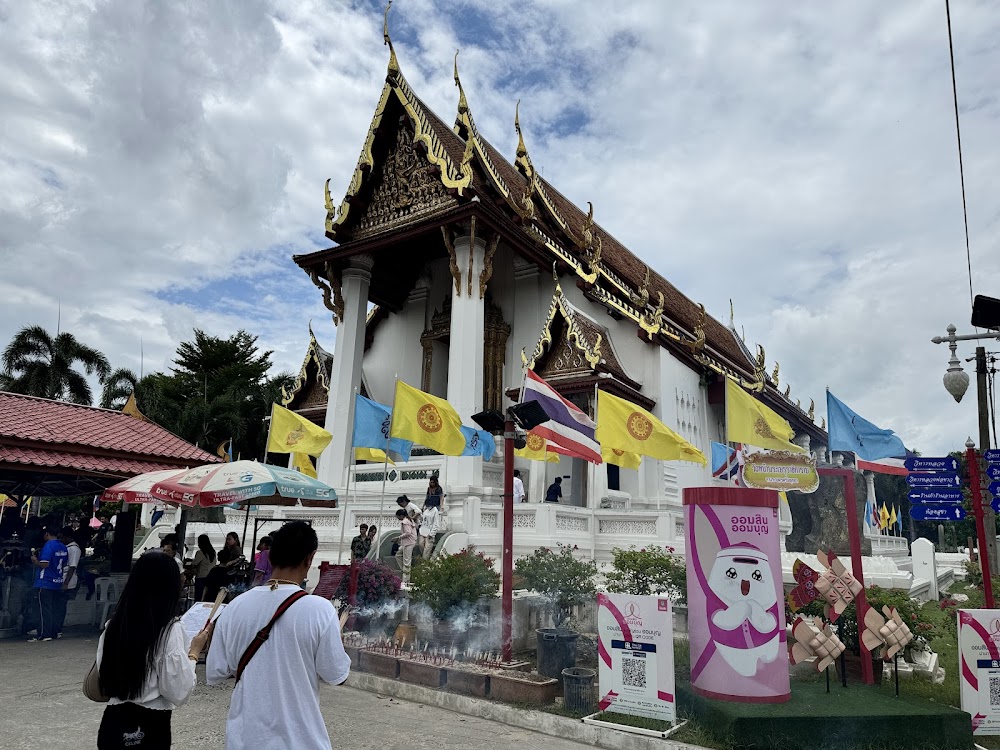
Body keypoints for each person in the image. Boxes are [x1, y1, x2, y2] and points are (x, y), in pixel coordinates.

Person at [207, 521, 351, 750]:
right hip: (301, 741)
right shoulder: (320, 611)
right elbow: (337, 675)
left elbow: (217, 671)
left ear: (270, 558)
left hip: (245, 740)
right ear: (309, 559)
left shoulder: (235, 607)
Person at [96, 551, 211, 749]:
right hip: (150, 724)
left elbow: (102, 671)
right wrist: (194, 652)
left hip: (112, 721)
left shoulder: (113, 625)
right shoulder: (169, 630)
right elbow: (178, 690)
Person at [28, 526, 68, 641]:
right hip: (57, 580)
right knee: (54, 608)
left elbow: (44, 564)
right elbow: (64, 563)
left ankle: (44, 634)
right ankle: (53, 632)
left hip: (45, 581)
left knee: (42, 609)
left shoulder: (49, 545)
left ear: (47, 534)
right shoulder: (62, 546)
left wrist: (36, 561)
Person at [55, 526, 82, 638]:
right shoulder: (67, 547)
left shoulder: (74, 549)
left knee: (61, 606)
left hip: (68, 579)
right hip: (62, 577)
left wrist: (66, 583)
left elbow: (72, 567)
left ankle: (58, 628)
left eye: (62, 537)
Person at [204, 532, 244, 602]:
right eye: (227, 539)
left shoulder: (236, 549)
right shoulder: (229, 549)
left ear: (235, 540)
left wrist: (232, 562)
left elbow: (241, 558)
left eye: (229, 539)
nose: (227, 541)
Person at [190, 534, 216, 602]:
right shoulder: (213, 552)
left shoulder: (200, 553)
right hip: (211, 577)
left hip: (201, 577)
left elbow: (194, 563)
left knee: (199, 597)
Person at [395, 509, 417, 585]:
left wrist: (399, 537)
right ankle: (406, 572)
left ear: (401, 516)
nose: (397, 518)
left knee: (407, 562)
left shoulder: (405, 521)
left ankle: (406, 580)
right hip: (408, 542)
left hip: (408, 542)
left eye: (398, 516)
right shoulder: (409, 520)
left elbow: (408, 532)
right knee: (398, 555)